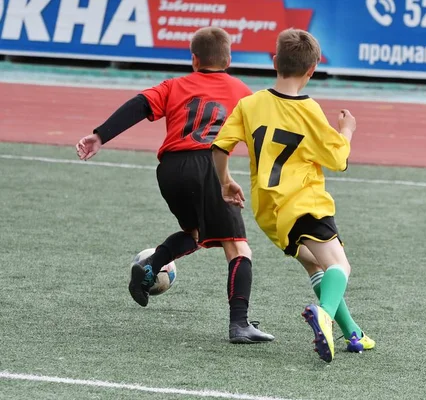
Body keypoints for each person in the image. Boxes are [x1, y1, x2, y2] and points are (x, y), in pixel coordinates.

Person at [75, 27, 274, 344]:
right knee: (238, 247)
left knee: (196, 233)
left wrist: (100, 135)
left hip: (169, 170)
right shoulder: (241, 91)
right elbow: (262, 137)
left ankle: (150, 269)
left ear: (194, 59)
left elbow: (139, 104)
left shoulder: (175, 85)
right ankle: (240, 324)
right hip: (205, 165)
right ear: (229, 59)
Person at [211, 28, 374, 362]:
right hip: (304, 203)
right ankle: (325, 315)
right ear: (311, 71)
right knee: (340, 265)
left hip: (268, 210)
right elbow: (338, 159)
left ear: (275, 62)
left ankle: (354, 333)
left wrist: (226, 181)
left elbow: (220, 147)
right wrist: (347, 130)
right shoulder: (308, 110)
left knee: (315, 264)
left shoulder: (250, 104)